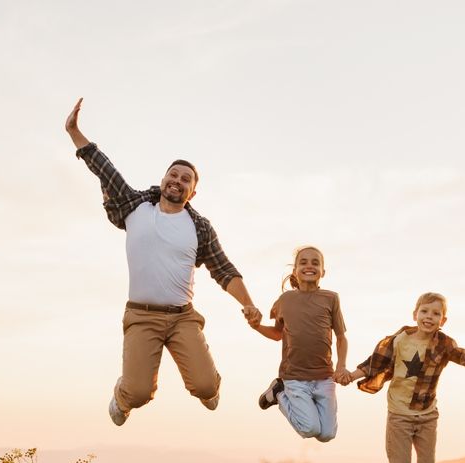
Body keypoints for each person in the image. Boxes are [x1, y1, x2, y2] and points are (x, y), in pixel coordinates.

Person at [64, 98, 261, 425]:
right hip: (142, 317)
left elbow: (224, 270)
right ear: (164, 178)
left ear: (192, 192)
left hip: (183, 317)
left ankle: (207, 386)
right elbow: (103, 167)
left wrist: (249, 305)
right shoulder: (135, 207)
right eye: (174, 174)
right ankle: (123, 395)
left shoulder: (199, 227)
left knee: (207, 386)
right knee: (140, 393)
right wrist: (74, 133)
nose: (178, 181)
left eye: (186, 179)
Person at [339, 293, 465, 463]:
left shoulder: (444, 343)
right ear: (414, 314)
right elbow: (374, 364)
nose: (429, 317)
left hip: (427, 415)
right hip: (399, 414)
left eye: (436, 314)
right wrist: (350, 375)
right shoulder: (398, 340)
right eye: (425, 311)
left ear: (443, 320)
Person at [250, 246, 349, 442]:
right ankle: (279, 393)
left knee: (327, 434)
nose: (309, 266)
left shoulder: (331, 298)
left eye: (315, 262)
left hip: (324, 377)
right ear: (295, 270)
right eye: (303, 262)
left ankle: (291, 398)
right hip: (294, 377)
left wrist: (341, 366)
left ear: (323, 271)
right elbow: (278, 334)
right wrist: (257, 327)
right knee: (310, 429)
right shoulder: (285, 300)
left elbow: (341, 337)